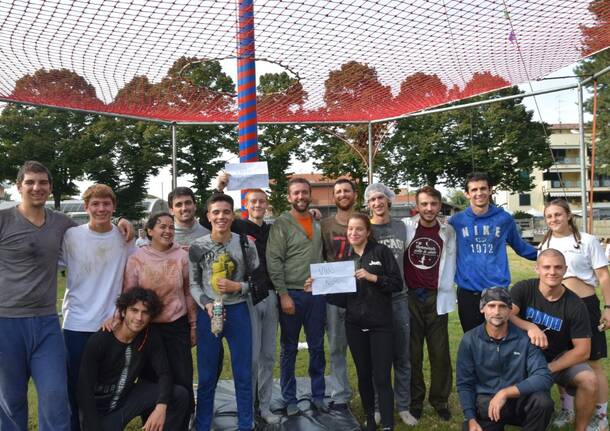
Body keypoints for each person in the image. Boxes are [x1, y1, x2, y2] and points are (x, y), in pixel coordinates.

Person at [0, 160, 132, 431]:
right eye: (30, 182)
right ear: (18, 187)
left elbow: (96, 226)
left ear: (49, 188)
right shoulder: (3, 220)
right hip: (6, 321)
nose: (37, 187)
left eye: (43, 182)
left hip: (47, 321)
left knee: (55, 396)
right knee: (11, 400)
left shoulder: (62, 225)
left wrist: (121, 220)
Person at [205, 175, 280, 424]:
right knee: (252, 357)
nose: (258, 205)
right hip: (247, 297)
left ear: (266, 204)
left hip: (270, 295)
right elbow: (214, 219)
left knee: (269, 355)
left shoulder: (273, 228)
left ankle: (265, 406)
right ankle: (248, 407)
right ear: (246, 205)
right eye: (253, 201)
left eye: (262, 201)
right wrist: (219, 187)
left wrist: (312, 213)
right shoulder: (238, 226)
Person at [316, 213, 402, 431]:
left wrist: (374, 278)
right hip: (354, 325)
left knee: (382, 377)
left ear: (368, 232)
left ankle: (388, 424)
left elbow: (397, 284)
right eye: (350, 229)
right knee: (363, 375)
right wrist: (319, 289)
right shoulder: (344, 259)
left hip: (381, 324)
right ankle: (371, 421)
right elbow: (341, 299)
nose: (353, 233)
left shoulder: (381, 252)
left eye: (359, 229)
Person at [60, 184, 135, 431]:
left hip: (110, 326)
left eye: (106, 204)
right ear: (86, 207)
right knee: (74, 387)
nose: (101, 208)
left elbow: (132, 277)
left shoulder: (125, 238)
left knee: (104, 388)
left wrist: (120, 314)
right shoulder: (71, 236)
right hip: (76, 324)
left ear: (114, 207)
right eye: (95, 204)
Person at [538, 199, 610, 430]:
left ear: (568, 215)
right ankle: (567, 410)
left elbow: (604, 276)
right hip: (556, 309)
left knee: (592, 362)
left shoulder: (587, 241)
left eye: (558, 215)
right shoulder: (545, 244)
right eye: (549, 216)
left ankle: (601, 417)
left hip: (585, 306)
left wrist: (609, 307)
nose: (554, 220)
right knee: (560, 358)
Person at [189, 194, 259, 431]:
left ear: (232, 214)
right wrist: (206, 304)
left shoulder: (246, 243)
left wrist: (238, 286)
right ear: (208, 216)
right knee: (207, 375)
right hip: (209, 313)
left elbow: (260, 283)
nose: (221, 216)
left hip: (238, 311)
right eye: (216, 212)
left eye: (226, 211)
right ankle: (203, 424)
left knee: (243, 373)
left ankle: (245, 425)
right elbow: (193, 284)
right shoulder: (198, 246)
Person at [510, 249, 599, 431]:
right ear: (537, 269)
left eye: (558, 267)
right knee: (534, 402)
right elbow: (507, 315)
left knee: (589, 380)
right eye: (547, 267)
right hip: (524, 358)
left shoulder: (575, 304)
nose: (552, 272)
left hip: (557, 361)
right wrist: (530, 326)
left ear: (565, 270)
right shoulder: (524, 288)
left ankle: (580, 428)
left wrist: (548, 369)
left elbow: (583, 350)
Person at [122, 212, 196, 431]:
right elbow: (128, 294)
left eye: (171, 227)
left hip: (176, 328)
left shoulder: (181, 257)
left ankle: (181, 425)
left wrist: (193, 325)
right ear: (150, 231)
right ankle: (151, 425)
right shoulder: (137, 258)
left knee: (181, 379)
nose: (168, 231)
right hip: (146, 328)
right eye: (162, 226)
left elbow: (189, 292)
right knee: (150, 381)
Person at [77, 287, 189, 431]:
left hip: (126, 400)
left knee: (179, 394)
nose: (139, 318)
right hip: (101, 412)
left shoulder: (149, 335)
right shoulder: (101, 340)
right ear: (123, 311)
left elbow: (164, 373)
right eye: (134, 310)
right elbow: (84, 391)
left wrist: (161, 407)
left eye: (145, 312)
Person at [267, 177, 327, 416]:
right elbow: (274, 260)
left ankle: (319, 395)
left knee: (317, 347)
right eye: (296, 193)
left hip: (317, 293)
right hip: (292, 293)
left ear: (310, 194)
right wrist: (283, 295)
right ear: (289, 197)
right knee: (289, 348)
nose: (300, 197)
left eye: (304, 192)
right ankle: (289, 397)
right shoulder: (282, 224)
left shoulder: (316, 220)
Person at [449, 172, 537, 332]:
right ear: (467, 194)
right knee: (472, 340)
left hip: (497, 290)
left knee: (499, 338)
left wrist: (547, 254)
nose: (479, 193)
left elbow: (521, 247)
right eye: (474, 190)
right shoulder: (456, 221)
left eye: (483, 188)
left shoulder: (504, 219)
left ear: (490, 190)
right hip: (468, 292)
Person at [456, 287, 554, 431]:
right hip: (487, 403)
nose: (497, 312)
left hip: (519, 399)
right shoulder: (469, 340)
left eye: (502, 306)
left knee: (543, 402)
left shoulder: (525, 339)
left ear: (510, 311)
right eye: (491, 306)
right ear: (482, 308)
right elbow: (465, 384)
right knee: (479, 412)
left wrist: (505, 393)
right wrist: (471, 418)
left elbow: (544, 377)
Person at [364, 183, 417, 425]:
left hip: (398, 298)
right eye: (373, 199)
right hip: (374, 300)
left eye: (381, 198)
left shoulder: (402, 226)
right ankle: (376, 405)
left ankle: (403, 406)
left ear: (389, 201)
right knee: (377, 358)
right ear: (368, 204)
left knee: (402, 355)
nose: (377, 203)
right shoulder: (366, 230)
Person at [403, 186, 456, 422]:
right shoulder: (405, 227)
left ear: (439, 205)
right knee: (412, 353)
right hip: (410, 296)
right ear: (417, 205)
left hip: (437, 296)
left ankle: (440, 400)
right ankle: (415, 401)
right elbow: (375, 224)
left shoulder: (448, 231)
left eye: (433, 204)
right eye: (424, 204)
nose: (429, 208)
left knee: (439, 353)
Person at [320, 178, 357, 411]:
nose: (343, 194)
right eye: (338, 191)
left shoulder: (365, 221)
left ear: (355, 194)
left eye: (347, 191)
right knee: (335, 346)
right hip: (334, 292)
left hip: (362, 293)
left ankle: (371, 391)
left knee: (366, 346)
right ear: (334, 196)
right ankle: (341, 393)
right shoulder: (324, 225)